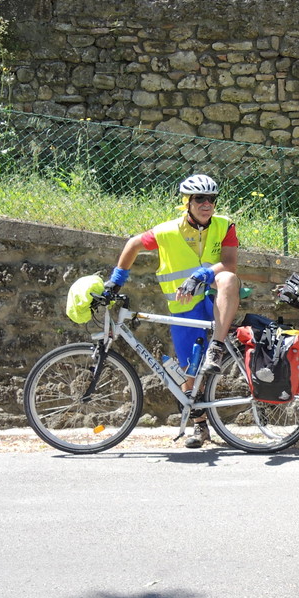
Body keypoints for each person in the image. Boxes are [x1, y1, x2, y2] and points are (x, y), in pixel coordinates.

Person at [102, 174, 241, 449]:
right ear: (187, 202)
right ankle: (200, 427)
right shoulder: (166, 231)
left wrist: (203, 273)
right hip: (183, 307)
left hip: (213, 298)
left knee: (228, 279)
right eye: (199, 199)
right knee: (189, 373)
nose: (206, 204)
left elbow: (230, 264)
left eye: (211, 199)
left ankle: (218, 345)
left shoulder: (225, 225)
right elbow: (133, 244)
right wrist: (117, 280)